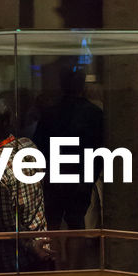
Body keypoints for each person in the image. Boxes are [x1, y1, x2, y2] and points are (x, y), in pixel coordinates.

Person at [0, 96, 51, 272]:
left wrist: (30, 245)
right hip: (42, 240)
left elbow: (5, 224)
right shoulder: (28, 145)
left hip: (12, 255)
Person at [33, 68, 104, 253]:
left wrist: (44, 174)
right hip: (81, 177)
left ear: (61, 85)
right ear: (82, 85)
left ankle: (55, 265)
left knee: (53, 224)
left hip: (54, 176)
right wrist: (90, 176)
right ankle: (74, 268)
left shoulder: (50, 113)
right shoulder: (95, 113)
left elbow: (38, 147)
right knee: (76, 224)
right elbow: (99, 149)